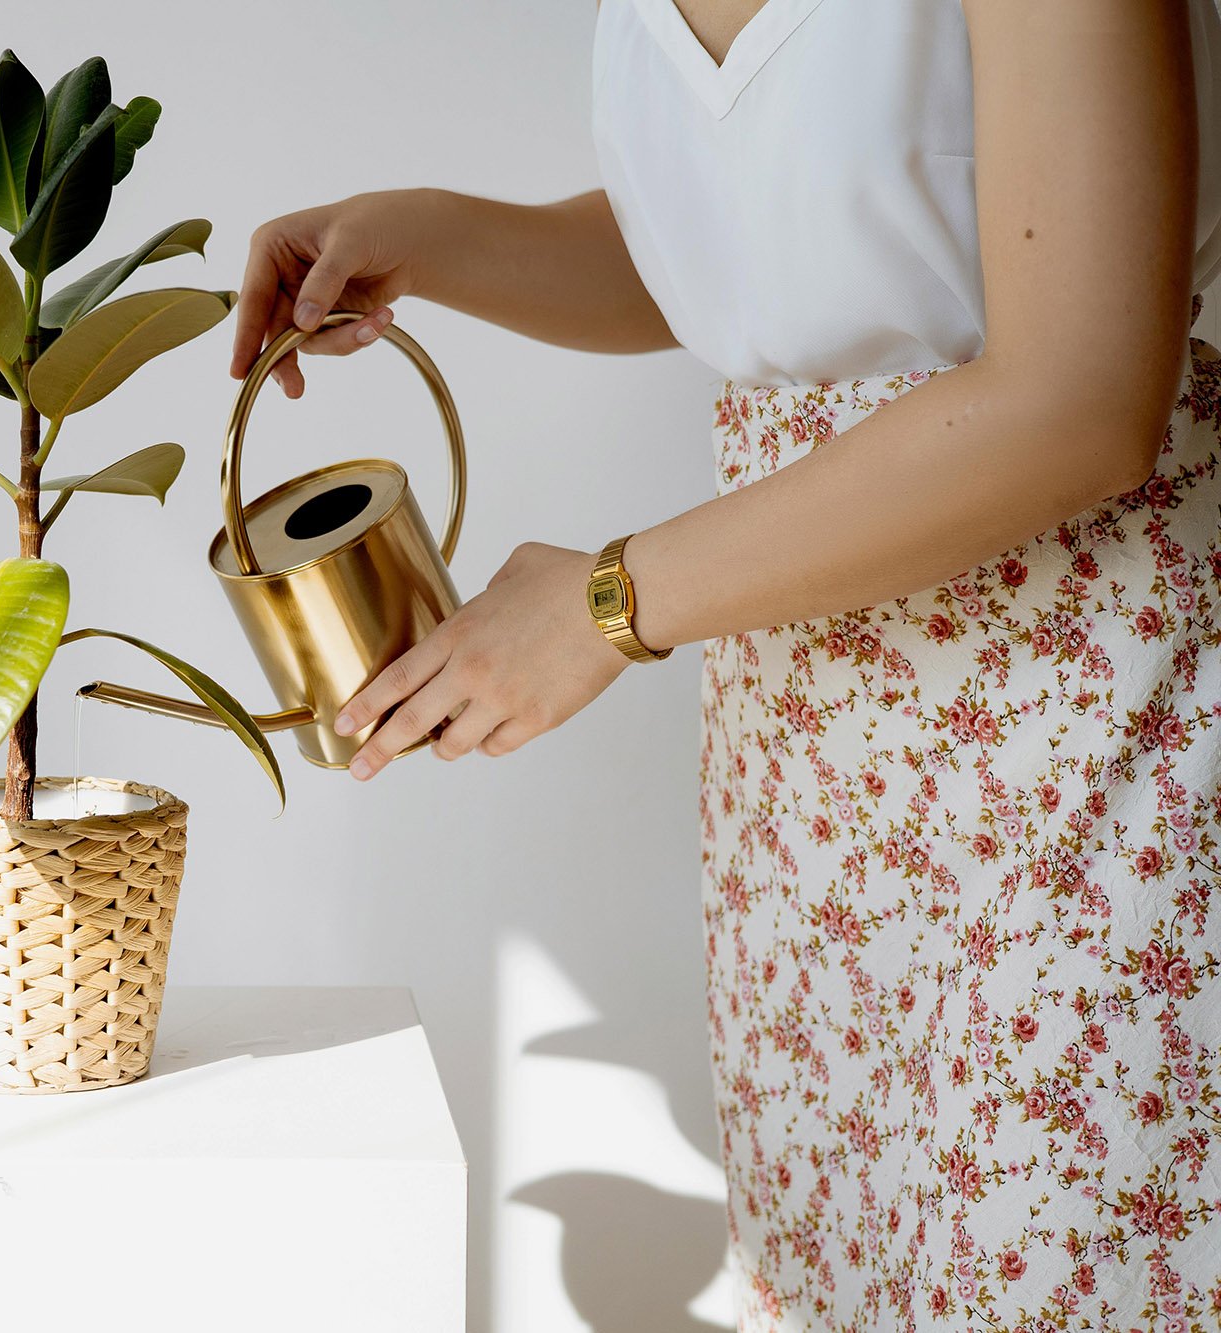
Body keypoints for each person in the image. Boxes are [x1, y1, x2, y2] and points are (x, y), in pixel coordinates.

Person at [231, 3, 1221, 1328]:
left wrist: (608, 603)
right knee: (847, 1275)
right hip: (807, 766)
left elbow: (1081, 396)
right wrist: (437, 238)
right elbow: (788, 248)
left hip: (1090, 712)